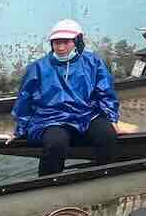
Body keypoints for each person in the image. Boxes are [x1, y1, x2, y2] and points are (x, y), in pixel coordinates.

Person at [12, 20, 121, 176]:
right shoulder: (38, 68)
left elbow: (105, 91)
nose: (61, 47)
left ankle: (105, 177)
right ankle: (47, 184)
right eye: (56, 43)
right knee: (55, 144)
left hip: (87, 115)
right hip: (51, 118)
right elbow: (25, 99)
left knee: (107, 136)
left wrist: (111, 118)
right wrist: (20, 129)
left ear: (77, 41)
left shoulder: (93, 62)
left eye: (65, 42)